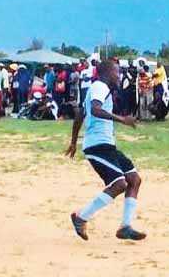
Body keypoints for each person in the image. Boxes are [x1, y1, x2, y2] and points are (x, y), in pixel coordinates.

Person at [65, 60, 146, 241]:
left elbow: (80, 115)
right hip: (97, 145)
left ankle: (125, 227)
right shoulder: (100, 86)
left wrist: (73, 142)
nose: (119, 76)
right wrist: (122, 119)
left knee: (134, 179)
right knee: (119, 184)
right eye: (117, 72)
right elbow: (94, 110)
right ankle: (81, 218)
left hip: (105, 144)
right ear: (108, 73)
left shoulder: (96, 88)